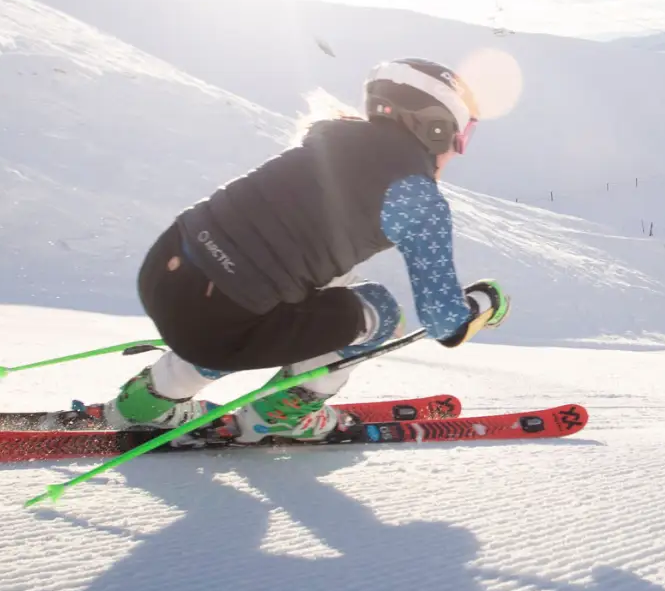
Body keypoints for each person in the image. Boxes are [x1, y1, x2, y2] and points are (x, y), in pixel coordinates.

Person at [102, 58, 508, 442]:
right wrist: (486, 303)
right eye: (460, 135)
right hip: (217, 326)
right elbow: (444, 325)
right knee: (380, 313)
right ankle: (276, 418)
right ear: (436, 128)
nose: (457, 149)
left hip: (163, 273)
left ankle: (148, 398)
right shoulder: (417, 196)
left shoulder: (326, 140)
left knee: (299, 290)